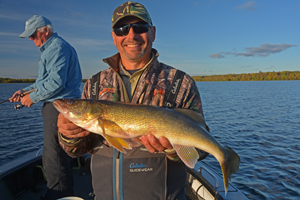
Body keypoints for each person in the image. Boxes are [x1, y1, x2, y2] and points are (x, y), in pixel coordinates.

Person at [57, 2, 209, 200]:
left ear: (153, 32)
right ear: (113, 37)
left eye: (140, 27)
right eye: (121, 29)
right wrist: (69, 136)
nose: (131, 35)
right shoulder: (94, 84)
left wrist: (172, 148)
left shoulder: (181, 83)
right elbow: (77, 150)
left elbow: (200, 145)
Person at [10, 15, 82, 200]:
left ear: (45, 31)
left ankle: (60, 195)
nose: (31, 39)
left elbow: (56, 84)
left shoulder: (57, 48)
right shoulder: (50, 49)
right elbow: (42, 82)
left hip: (59, 106)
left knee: (54, 154)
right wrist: (23, 92)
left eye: (33, 35)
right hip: (55, 105)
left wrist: (31, 98)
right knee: (53, 152)